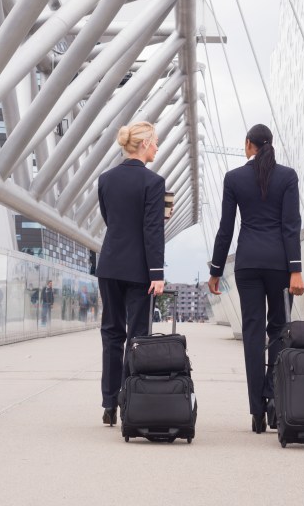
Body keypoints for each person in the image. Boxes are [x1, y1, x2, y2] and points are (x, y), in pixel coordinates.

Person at [208, 124, 304, 434]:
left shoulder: (234, 178)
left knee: (252, 334)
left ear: (249, 145)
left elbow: (226, 229)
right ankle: (274, 400)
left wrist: (215, 270)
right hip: (279, 265)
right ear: (270, 144)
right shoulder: (287, 177)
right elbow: (291, 225)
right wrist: (296, 269)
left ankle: (256, 411)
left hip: (247, 263)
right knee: (277, 330)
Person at [95, 121, 166, 427]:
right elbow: (152, 230)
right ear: (144, 144)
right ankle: (130, 399)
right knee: (137, 337)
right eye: (155, 143)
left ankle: (109, 402)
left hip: (110, 264)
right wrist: (157, 272)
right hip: (139, 270)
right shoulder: (153, 182)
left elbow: (109, 218)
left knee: (111, 333)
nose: (158, 147)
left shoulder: (105, 179)